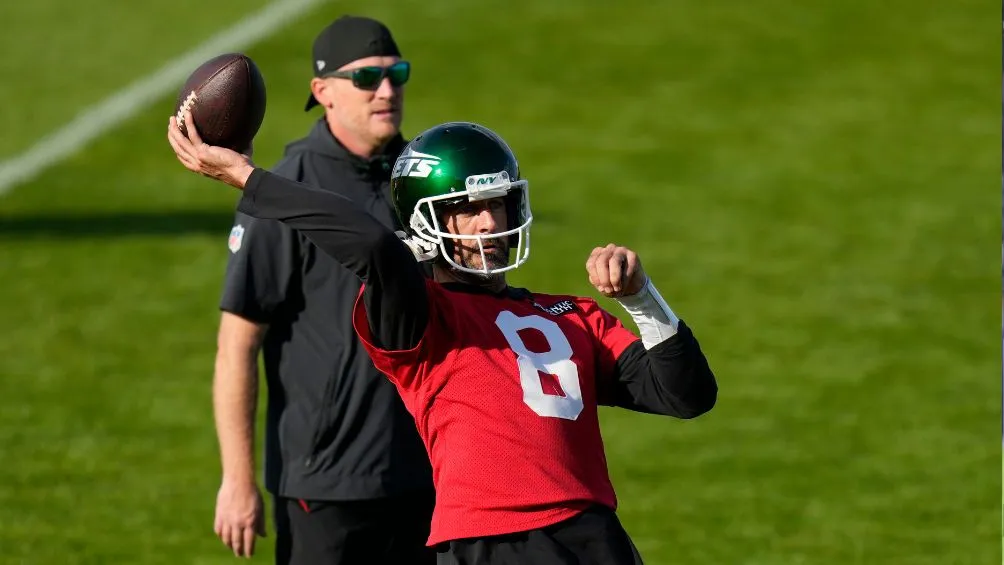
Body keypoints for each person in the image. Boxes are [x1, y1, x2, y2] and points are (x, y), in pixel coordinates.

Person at [169, 117, 718, 565]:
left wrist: (643, 297)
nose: (487, 222)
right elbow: (375, 248)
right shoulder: (424, 318)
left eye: (496, 203)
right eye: (467, 208)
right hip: (490, 543)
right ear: (426, 222)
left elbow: (686, 395)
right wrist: (250, 177)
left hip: (596, 537)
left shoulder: (572, 314)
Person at [210, 15, 434, 564]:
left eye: (396, 74)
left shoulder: (425, 180)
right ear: (322, 92)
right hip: (327, 485)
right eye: (366, 79)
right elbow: (236, 346)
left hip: (430, 470)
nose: (386, 90)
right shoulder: (286, 195)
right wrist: (238, 481)